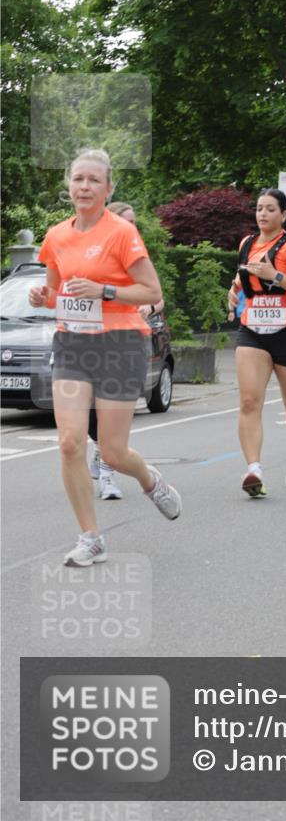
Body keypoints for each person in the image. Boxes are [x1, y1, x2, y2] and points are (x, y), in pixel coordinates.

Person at [28, 149, 181, 567]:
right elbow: (57, 294)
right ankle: (90, 537)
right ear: (68, 185)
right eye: (78, 179)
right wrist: (43, 297)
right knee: (70, 441)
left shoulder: (121, 234)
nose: (85, 186)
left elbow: (151, 292)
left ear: (108, 188)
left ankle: (150, 481)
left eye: (94, 180)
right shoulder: (57, 236)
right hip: (72, 345)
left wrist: (106, 291)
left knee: (112, 452)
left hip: (119, 346)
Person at [228, 188, 286, 496]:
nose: (262, 214)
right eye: (259, 209)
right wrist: (235, 286)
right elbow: (245, 274)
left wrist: (275, 275)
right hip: (252, 329)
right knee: (249, 401)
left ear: (283, 215)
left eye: (269, 209)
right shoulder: (247, 244)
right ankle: (254, 469)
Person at [88, 201, 166, 500]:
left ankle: (108, 476)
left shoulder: (136, 257)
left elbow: (158, 298)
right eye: (127, 221)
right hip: (90, 343)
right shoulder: (94, 257)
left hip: (126, 342)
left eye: (134, 222)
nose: (132, 227)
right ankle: (100, 448)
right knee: (91, 413)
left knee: (116, 412)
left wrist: (147, 307)